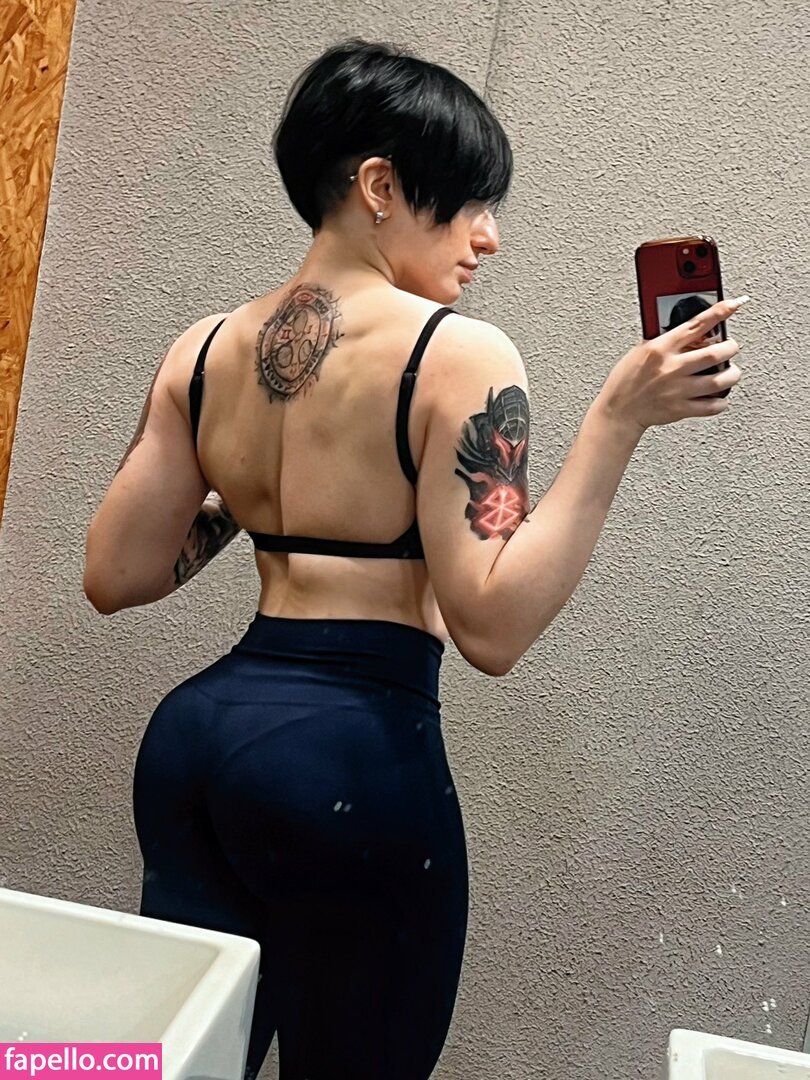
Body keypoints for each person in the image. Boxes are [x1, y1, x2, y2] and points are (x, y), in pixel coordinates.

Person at [83, 36, 747, 1080]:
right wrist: (618, 418)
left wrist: (252, 474)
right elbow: (493, 625)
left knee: (185, 1063)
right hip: (349, 757)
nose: (489, 236)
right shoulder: (461, 352)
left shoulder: (203, 350)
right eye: (471, 201)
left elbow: (115, 574)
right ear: (381, 186)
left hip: (197, 741)